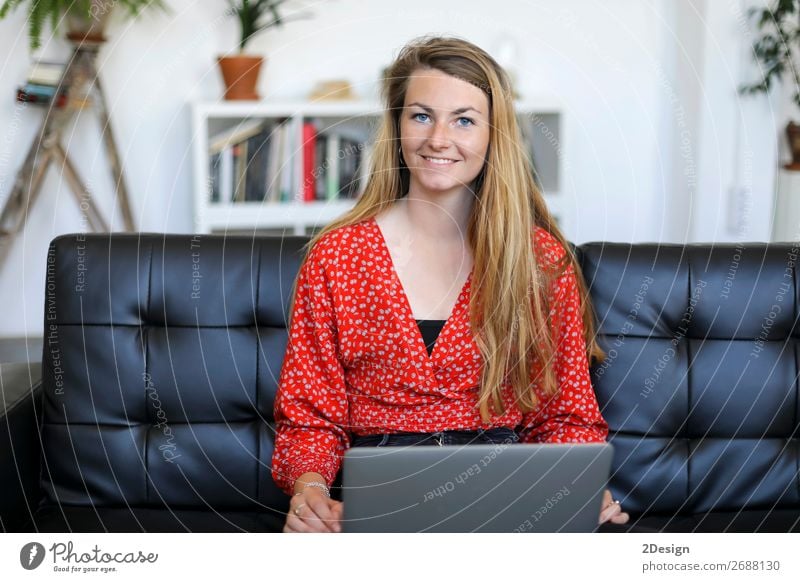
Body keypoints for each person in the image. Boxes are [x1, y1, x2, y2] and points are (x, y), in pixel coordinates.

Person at [272, 35, 630, 533]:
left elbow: (566, 415)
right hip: (379, 498)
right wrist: (309, 490)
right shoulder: (336, 257)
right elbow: (311, 419)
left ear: (493, 135)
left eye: (464, 119)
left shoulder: (540, 262)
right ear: (396, 127)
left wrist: (584, 488)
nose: (439, 139)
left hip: (508, 493)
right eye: (421, 115)